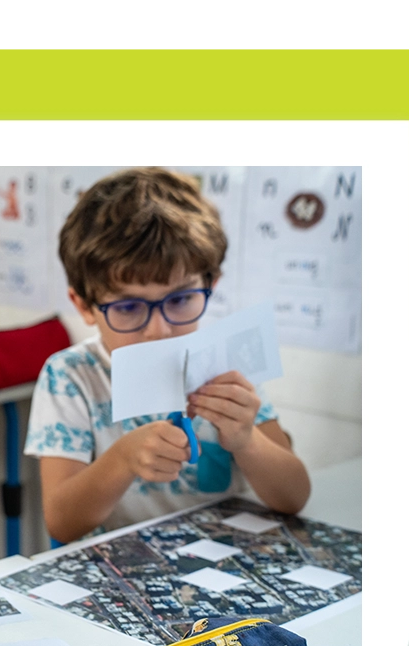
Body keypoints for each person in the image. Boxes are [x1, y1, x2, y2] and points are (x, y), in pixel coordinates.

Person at [25, 168, 310, 543]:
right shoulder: (72, 376)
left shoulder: (224, 362)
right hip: (128, 570)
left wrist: (246, 441)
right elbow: (62, 522)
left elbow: (294, 497)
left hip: (227, 559)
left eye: (179, 300)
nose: (158, 330)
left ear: (211, 285)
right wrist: (123, 459)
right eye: (128, 307)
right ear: (84, 305)